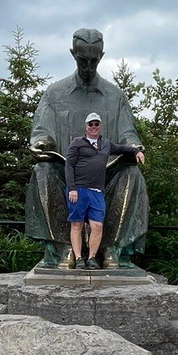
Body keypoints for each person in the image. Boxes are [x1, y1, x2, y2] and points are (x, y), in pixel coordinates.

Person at [26, 28, 149, 269]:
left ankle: (110, 249)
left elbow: (127, 134)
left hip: (106, 175)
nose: (88, 65)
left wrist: (133, 146)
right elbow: (41, 131)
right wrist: (43, 143)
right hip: (67, 174)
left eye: (94, 60)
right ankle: (65, 250)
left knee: (132, 174)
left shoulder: (115, 96)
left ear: (101, 56)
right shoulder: (54, 94)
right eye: (83, 59)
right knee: (42, 172)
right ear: (73, 54)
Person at [65, 113, 146, 269]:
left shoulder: (105, 144)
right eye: (91, 124)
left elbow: (123, 148)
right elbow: (69, 166)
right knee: (77, 225)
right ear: (86, 126)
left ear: (100, 126)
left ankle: (92, 257)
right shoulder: (77, 143)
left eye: (96, 124)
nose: (94, 127)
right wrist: (72, 188)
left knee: (97, 226)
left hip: (96, 191)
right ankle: (79, 257)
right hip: (79, 190)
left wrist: (136, 152)